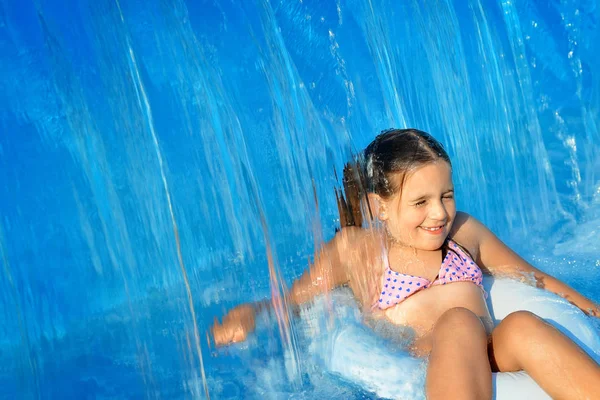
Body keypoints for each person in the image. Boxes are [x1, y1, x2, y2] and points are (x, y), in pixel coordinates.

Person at [212, 128, 600, 399]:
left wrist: (589, 307)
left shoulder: (463, 233)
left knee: (522, 326)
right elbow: (293, 303)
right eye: (421, 202)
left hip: (490, 347)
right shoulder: (358, 250)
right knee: (458, 321)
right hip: (427, 359)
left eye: (446, 196)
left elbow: (533, 278)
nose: (439, 214)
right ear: (379, 206)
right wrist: (252, 313)